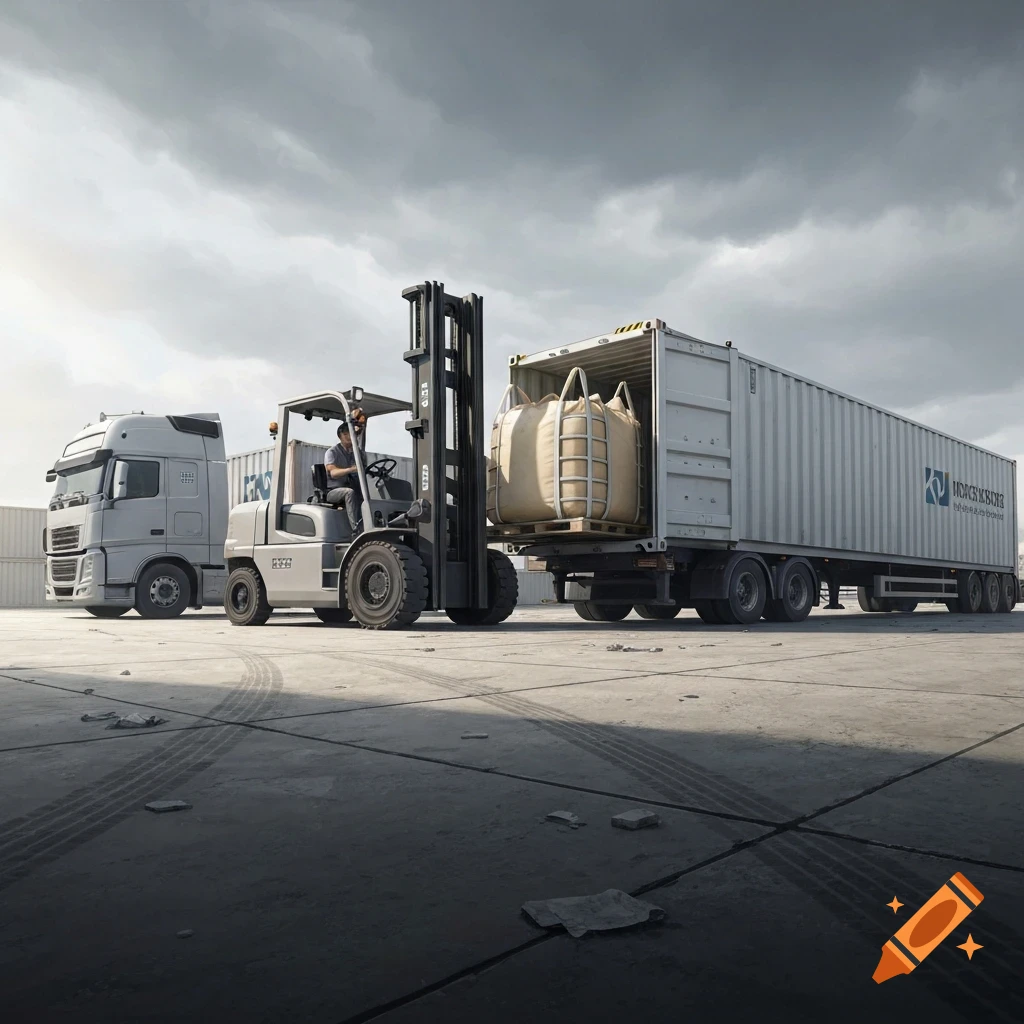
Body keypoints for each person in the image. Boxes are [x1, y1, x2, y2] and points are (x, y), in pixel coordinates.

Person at [324, 419, 363, 535]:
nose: (349, 437)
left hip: (350, 486)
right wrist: (350, 469)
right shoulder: (332, 452)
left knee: (363, 493)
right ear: (340, 436)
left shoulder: (356, 453)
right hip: (333, 491)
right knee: (349, 492)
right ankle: (356, 529)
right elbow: (333, 473)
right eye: (345, 434)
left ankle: (368, 523)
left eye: (350, 434)